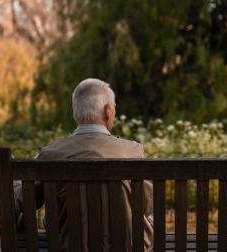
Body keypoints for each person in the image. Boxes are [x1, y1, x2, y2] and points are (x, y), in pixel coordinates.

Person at [13, 78, 153, 251]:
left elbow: (22, 200)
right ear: (109, 112)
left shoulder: (51, 155)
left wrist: (23, 176)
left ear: (75, 113)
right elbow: (146, 205)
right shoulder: (133, 152)